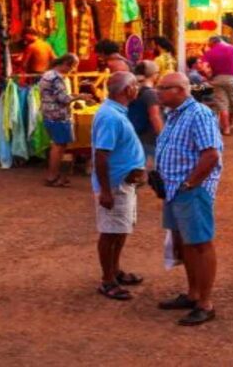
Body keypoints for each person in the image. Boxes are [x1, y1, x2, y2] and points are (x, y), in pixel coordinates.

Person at [154, 72, 223, 326]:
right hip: (175, 189)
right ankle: (193, 293)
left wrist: (189, 183)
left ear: (181, 91)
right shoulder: (174, 114)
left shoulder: (199, 114)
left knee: (200, 243)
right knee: (185, 243)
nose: (158, 92)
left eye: (164, 88)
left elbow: (211, 155)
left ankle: (205, 302)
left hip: (190, 189)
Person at [91, 71, 148, 301]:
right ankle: (107, 280)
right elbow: (101, 155)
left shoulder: (116, 112)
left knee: (120, 229)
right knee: (110, 232)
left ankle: (114, 270)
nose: (138, 88)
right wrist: (105, 191)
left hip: (122, 183)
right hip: (114, 184)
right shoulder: (110, 116)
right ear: (127, 90)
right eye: (135, 85)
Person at [39, 54, 93, 187]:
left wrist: (75, 96)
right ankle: (52, 176)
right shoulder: (57, 78)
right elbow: (63, 99)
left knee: (57, 145)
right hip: (58, 115)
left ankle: (54, 175)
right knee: (58, 146)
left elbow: (57, 95)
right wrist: (80, 97)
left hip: (49, 114)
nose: (72, 70)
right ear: (65, 64)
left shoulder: (48, 75)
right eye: (72, 67)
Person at [128, 61, 164, 158]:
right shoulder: (150, 94)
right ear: (153, 75)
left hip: (137, 137)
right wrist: (164, 138)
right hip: (149, 140)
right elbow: (155, 117)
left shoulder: (135, 90)